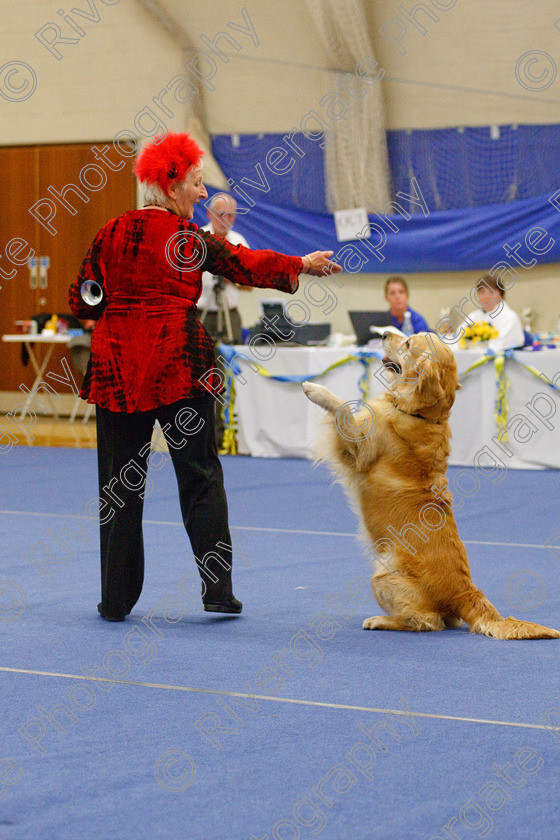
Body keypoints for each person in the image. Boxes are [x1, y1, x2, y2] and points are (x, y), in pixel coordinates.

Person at [69, 131, 341, 622]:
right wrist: (301, 263)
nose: (202, 194)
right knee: (199, 477)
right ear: (171, 187)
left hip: (116, 369)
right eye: (196, 184)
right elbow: (244, 264)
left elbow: (81, 298)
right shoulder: (189, 240)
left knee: (119, 487)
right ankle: (217, 590)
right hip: (180, 364)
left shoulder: (108, 232)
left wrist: (121, 308)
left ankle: (115, 599)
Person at [197, 193, 250, 345]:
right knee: (199, 359)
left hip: (230, 313)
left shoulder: (239, 242)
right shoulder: (198, 239)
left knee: (233, 359)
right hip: (202, 312)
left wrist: (234, 278)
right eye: (221, 215)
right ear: (210, 214)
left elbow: (251, 283)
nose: (225, 220)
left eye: (230, 216)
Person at [464, 274, 525, 353]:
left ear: (500, 295)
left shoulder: (509, 317)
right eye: (482, 293)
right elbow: (459, 339)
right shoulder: (473, 316)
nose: (486, 296)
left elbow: (501, 344)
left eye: (491, 292)